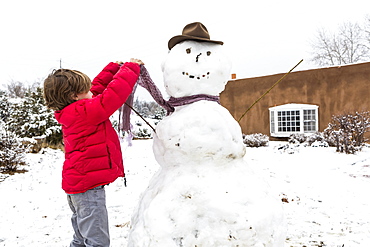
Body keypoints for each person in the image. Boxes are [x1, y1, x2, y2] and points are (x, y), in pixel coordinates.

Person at [43, 58, 144, 247]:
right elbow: (112, 96)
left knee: (81, 238)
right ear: (74, 95)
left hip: (78, 189)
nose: (91, 91)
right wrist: (130, 68)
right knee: (97, 242)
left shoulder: (74, 110)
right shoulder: (85, 111)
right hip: (88, 191)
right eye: (85, 89)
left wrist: (113, 68)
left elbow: (95, 89)